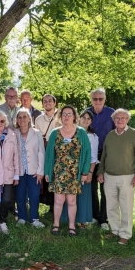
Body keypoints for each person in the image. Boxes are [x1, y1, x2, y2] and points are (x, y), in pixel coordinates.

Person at [97, 109, 135, 246]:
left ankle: (125, 234)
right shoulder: (110, 135)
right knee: (111, 206)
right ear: (113, 120)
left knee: (126, 206)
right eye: (117, 118)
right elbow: (104, 156)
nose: (120, 120)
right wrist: (100, 172)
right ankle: (115, 230)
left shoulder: (134, 135)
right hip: (109, 176)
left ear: (127, 120)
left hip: (128, 177)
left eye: (123, 118)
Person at [44, 105, 91, 237]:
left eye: (69, 114)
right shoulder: (55, 133)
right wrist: (47, 171)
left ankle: (71, 226)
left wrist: (85, 172)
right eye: (64, 114)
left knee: (71, 201)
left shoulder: (81, 132)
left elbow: (87, 153)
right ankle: (56, 224)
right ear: (60, 116)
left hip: (74, 173)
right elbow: (49, 154)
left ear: (74, 116)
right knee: (58, 200)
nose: (67, 116)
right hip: (58, 172)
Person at [60, 110, 98, 228]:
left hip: (84, 170)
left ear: (91, 121)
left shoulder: (92, 136)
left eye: (88, 119)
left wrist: (90, 172)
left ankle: (82, 220)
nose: (85, 120)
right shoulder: (73, 132)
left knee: (83, 196)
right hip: (70, 170)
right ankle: (70, 219)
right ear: (78, 118)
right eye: (83, 117)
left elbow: (93, 157)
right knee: (70, 196)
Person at [88, 88, 115, 231]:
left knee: (105, 189)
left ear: (105, 99)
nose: (97, 101)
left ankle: (104, 219)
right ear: (91, 99)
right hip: (91, 156)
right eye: (95, 99)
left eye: (100, 99)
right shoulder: (86, 113)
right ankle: (94, 215)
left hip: (106, 156)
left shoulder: (112, 113)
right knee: (92, 188)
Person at [15, 108, 45, 228]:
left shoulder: (36, 133)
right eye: (20, 117)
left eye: (24, 117)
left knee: (34, 195)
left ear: (29, 119)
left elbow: (41, 153)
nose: (22, 119)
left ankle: (34, 218)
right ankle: (22, 217)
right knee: (20, 195)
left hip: (34, 171)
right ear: (17, 120)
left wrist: (40, 172)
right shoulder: (14, 133)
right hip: (20, 171)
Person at [35, 94, 61, 209]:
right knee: (46, 173)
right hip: (44, 148)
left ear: (54, 103)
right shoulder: (39, 119)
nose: (47, 103)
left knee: (55, 174)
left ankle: (55, 204)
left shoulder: (60, 116)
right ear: (42, 104)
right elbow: (37, 135)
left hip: (57, 150)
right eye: (45, 101)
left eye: (50, 101)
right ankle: (46, 200)